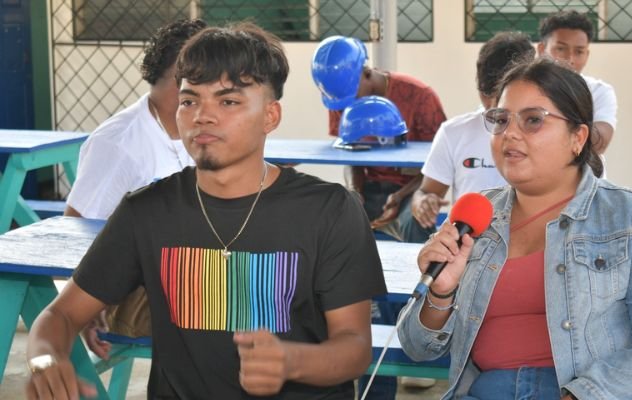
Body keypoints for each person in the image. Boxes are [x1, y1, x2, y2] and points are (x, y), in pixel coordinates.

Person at [26, 23, 386, 399]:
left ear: (270, 116)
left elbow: (355, 346)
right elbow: (60, 315)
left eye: (228, 101)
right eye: (189, 100)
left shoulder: (329, 210)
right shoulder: (146, 212)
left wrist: (293, 362)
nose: (203, 116)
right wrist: (44, 360)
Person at [398, 57, 632, 399]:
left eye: (533, 120)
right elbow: (417, 347)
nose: (509, 133)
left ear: (578, 137)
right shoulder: (476, 216)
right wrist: (441, 292)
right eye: (501, 119)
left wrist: (585, 394)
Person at [64, 18, 207, 360]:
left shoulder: (198, 129)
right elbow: (75, 229)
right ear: (181, 79)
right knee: (250, 316)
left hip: (191, 279)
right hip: (136, 297)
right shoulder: (119, 142)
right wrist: (84, 309)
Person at [313, 36, 447, 243]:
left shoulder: (419, 97)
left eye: (352, 98)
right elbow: (351, 157)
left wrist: (400, 197)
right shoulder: (341, 102)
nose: (347, 107)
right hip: (369, 187)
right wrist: (354, 191)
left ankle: (421, 275)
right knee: (331, 221)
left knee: (417, 222)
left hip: (412, 188)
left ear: (367, 73)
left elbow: (439, 165)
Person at [410, 31, 534, 230]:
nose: (492, 105)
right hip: (467, 251)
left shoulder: (549, 133)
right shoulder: (454, 132)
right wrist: (423, 203)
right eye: (486, 94)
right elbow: (424, 192)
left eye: (501, 96)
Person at [537, 10, 617, 155]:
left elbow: (599, 142)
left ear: (587, 55)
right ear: (542, 50)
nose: (570, 59)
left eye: (579, 51)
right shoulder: (527, 90)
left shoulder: (599, 91)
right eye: (561, 49)